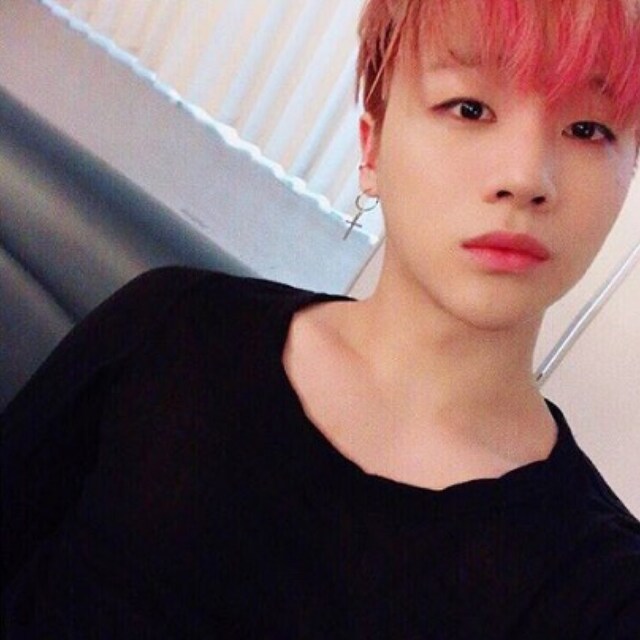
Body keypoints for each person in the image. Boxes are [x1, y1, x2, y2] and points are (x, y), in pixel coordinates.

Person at [2, 0, 640, 637]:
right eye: (469, 109)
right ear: (371, 145)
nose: (526, 177)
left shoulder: (605, 590)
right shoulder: (168, 328)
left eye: (588, 129)